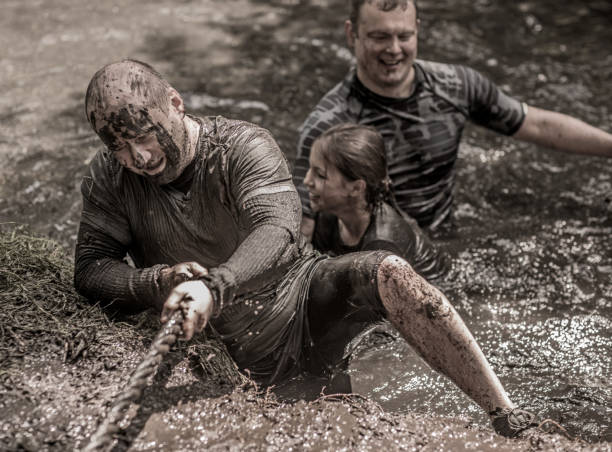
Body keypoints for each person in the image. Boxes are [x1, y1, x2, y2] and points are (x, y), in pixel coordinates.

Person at [75, 59, 537, 438]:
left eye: (145, 136)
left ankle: (507, 417)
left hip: (298, 306)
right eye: (119, 148)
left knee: (390, 272)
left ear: (175, 103)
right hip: (223, 344)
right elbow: (91, 268)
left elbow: (277, 229)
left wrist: (215, 286)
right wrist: (156, 282)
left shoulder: (241, 145)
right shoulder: (108, 178)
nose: (138, 157)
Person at [293, 0, 612, 236]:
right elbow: (303, 223)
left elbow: (538, 124)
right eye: (379, 36)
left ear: (418, 30)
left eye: (404, 36)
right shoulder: (328, 127)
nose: (393, 50)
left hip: (444, 238)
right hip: (372, 255)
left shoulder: (455, 86)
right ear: (352, 35)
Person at [305, 122, 447, 281]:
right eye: (310, 169)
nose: (306, 180)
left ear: (356, 188)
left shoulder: (382, 248)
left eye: (320, 175)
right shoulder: (328, 214)